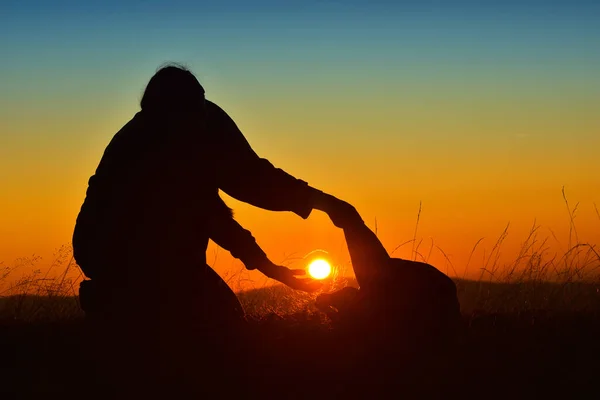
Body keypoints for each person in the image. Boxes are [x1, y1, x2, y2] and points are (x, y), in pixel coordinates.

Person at [72, 63, 353, 394]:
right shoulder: (145, 146)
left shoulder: (202, 123)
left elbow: (250, 177)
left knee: (218, 321)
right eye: (189, 112)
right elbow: (215, 215)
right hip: (117, 254)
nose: (199, 118)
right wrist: (272, 268)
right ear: (165, 114)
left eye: (200, 106)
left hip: (149, 256)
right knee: (213, 331)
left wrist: (319, 201)